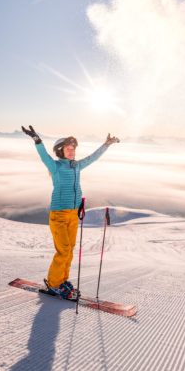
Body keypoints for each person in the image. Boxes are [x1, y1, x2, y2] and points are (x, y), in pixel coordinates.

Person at [21, 125, 120, 298]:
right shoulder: (56, 167)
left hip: (73, 214)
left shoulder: (77, 166)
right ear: (60, 151)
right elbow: (44, 157)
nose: (72, 152)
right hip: (58, 215)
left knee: (70, 250)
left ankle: (62, 281)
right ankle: (53, 284)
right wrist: (38, 141)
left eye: (73, 149)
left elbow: (92, 158)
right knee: (63, 251)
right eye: (68, 149)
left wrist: (106, 145)